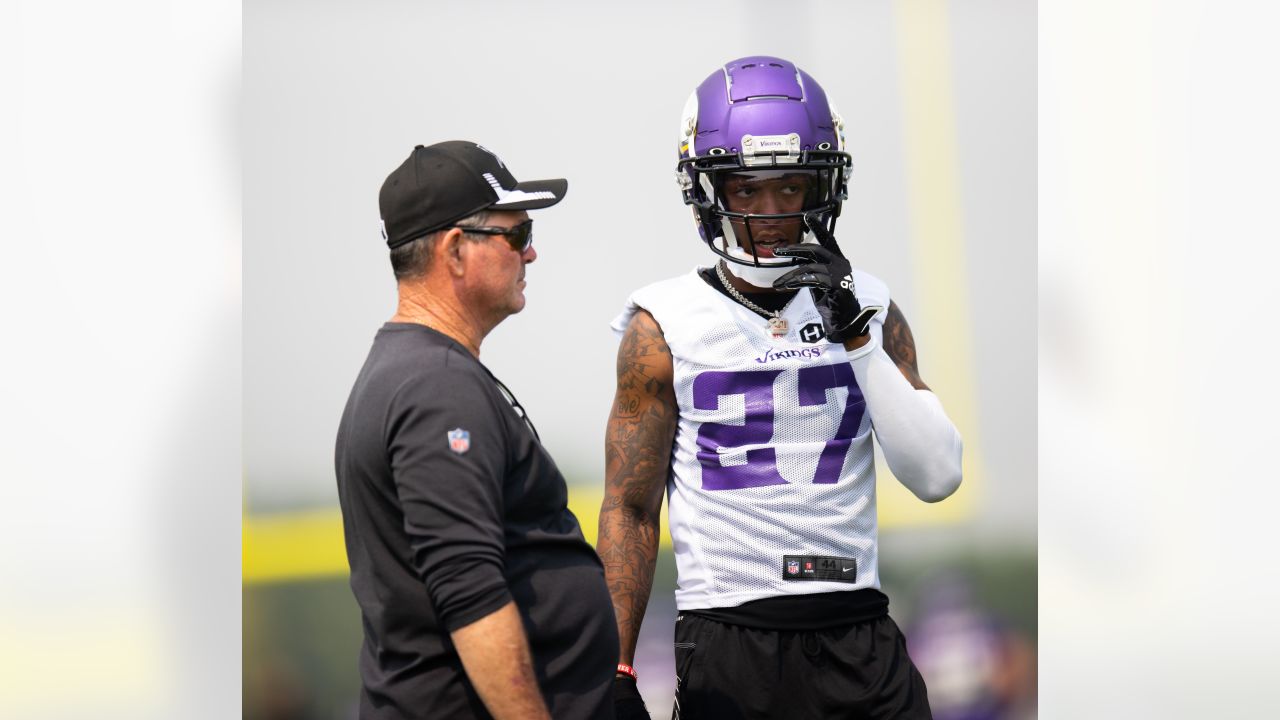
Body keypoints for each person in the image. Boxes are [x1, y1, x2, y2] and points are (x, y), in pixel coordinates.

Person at [598, 56, 964, 719]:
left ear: (823, 187)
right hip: (730, 643)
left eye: (791, 189)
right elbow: (629, 508)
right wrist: (615, 668)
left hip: (859, 635)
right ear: (708, 192)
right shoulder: (663, 325)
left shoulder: (870, 306)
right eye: (746, 190)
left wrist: (857, 338)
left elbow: (937, 475)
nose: (771, 214)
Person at [335, 141, 619, 720]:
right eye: (516, 234)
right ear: (457, 250)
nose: (531, 252)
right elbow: (469, 591)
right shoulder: (436, 386)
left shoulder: (415, 370)